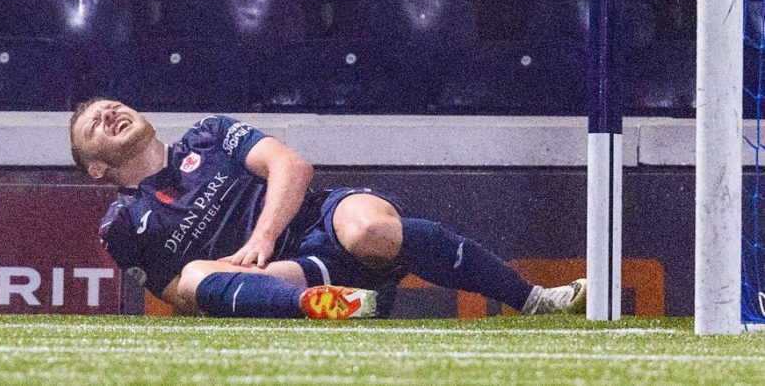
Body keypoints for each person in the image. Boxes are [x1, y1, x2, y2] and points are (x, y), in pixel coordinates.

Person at [69, 98, 586, 319]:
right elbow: (176, 296)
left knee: (369, 231)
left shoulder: (209, 132)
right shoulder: (121, 225)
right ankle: (339, 307)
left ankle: (537, 299)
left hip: (322, 220)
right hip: (286, 276)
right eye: (94, 123)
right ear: (96, 168)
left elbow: (291, 166)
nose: (110, 113)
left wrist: (262, 237)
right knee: (193, 277)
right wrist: (237, 273)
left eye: (111, 105)